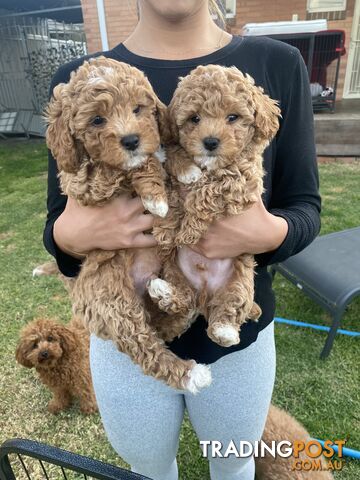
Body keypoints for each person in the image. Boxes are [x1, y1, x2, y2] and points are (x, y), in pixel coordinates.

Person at [44, 1, 321, 479]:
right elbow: (59, 218)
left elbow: (304, 206)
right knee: (150, 468)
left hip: (238, 341)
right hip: (129, 337)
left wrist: (268, 233)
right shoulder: (82, 78)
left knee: (233, 465)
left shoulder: (277, 64)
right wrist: (69, 236)